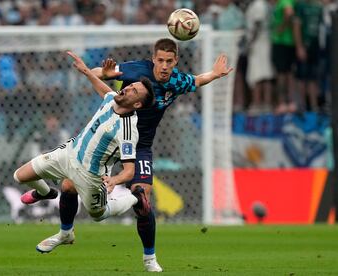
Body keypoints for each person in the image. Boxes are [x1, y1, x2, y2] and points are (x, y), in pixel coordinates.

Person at [37, 39, 233, 272]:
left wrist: (216, 74)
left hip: (140, 147)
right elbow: (100, 73)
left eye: (169, 61)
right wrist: (106, 73)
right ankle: (65, 233)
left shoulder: (177, 81)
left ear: (176, 62)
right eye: (160, 60)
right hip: (110, 139)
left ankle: (149, 258)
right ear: (153, 59)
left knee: (142, 199)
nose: (164, 66)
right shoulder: (136, 70)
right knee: (69, 186)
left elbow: (198, 80)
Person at [14, 50, 155, 238]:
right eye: (130, 86)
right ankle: (46, 193)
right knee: (20, 176)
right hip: (70, 153)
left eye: (134, 91)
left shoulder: (128, 131)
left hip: (92, 176)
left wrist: (114, 180)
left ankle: (134, 199)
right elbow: (103, 89)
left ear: (137, 105)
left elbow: (129, 171)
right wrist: (86, 71)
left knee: (99, 215)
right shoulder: (112, 99)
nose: (128, 88)